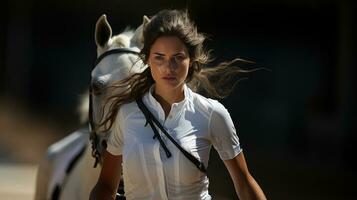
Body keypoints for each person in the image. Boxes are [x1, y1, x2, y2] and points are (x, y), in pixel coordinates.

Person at [90, 9, 266, 200]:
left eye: (178, 57)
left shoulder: (212, 114)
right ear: (147, 59)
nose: (168, 67)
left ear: (191, 60)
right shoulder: (125, 115)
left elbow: (244, 183)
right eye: (159, 57)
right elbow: (106, 186)